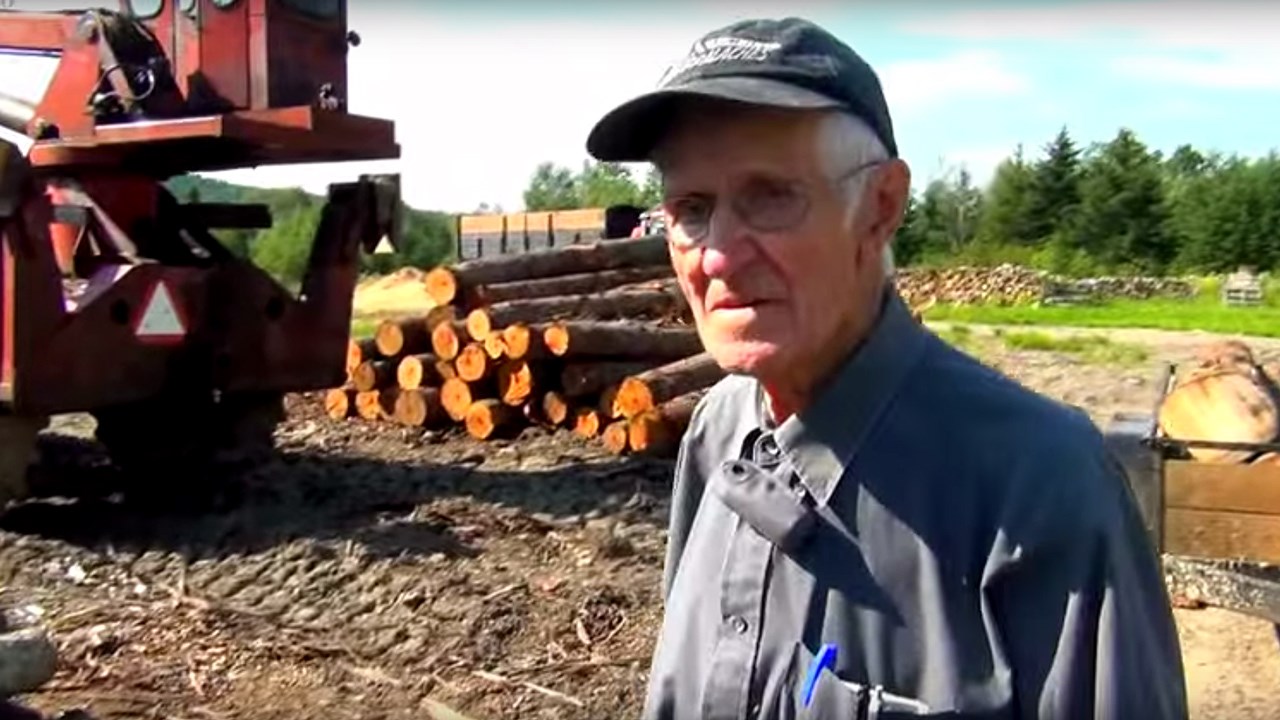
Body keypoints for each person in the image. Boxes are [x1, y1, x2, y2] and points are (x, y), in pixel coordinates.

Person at [584, 16, 1188, 720]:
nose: (717, 254)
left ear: (879, 208)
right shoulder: (715, 435)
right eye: (691, 209)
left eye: (771, 196)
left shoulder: (1040, 484)